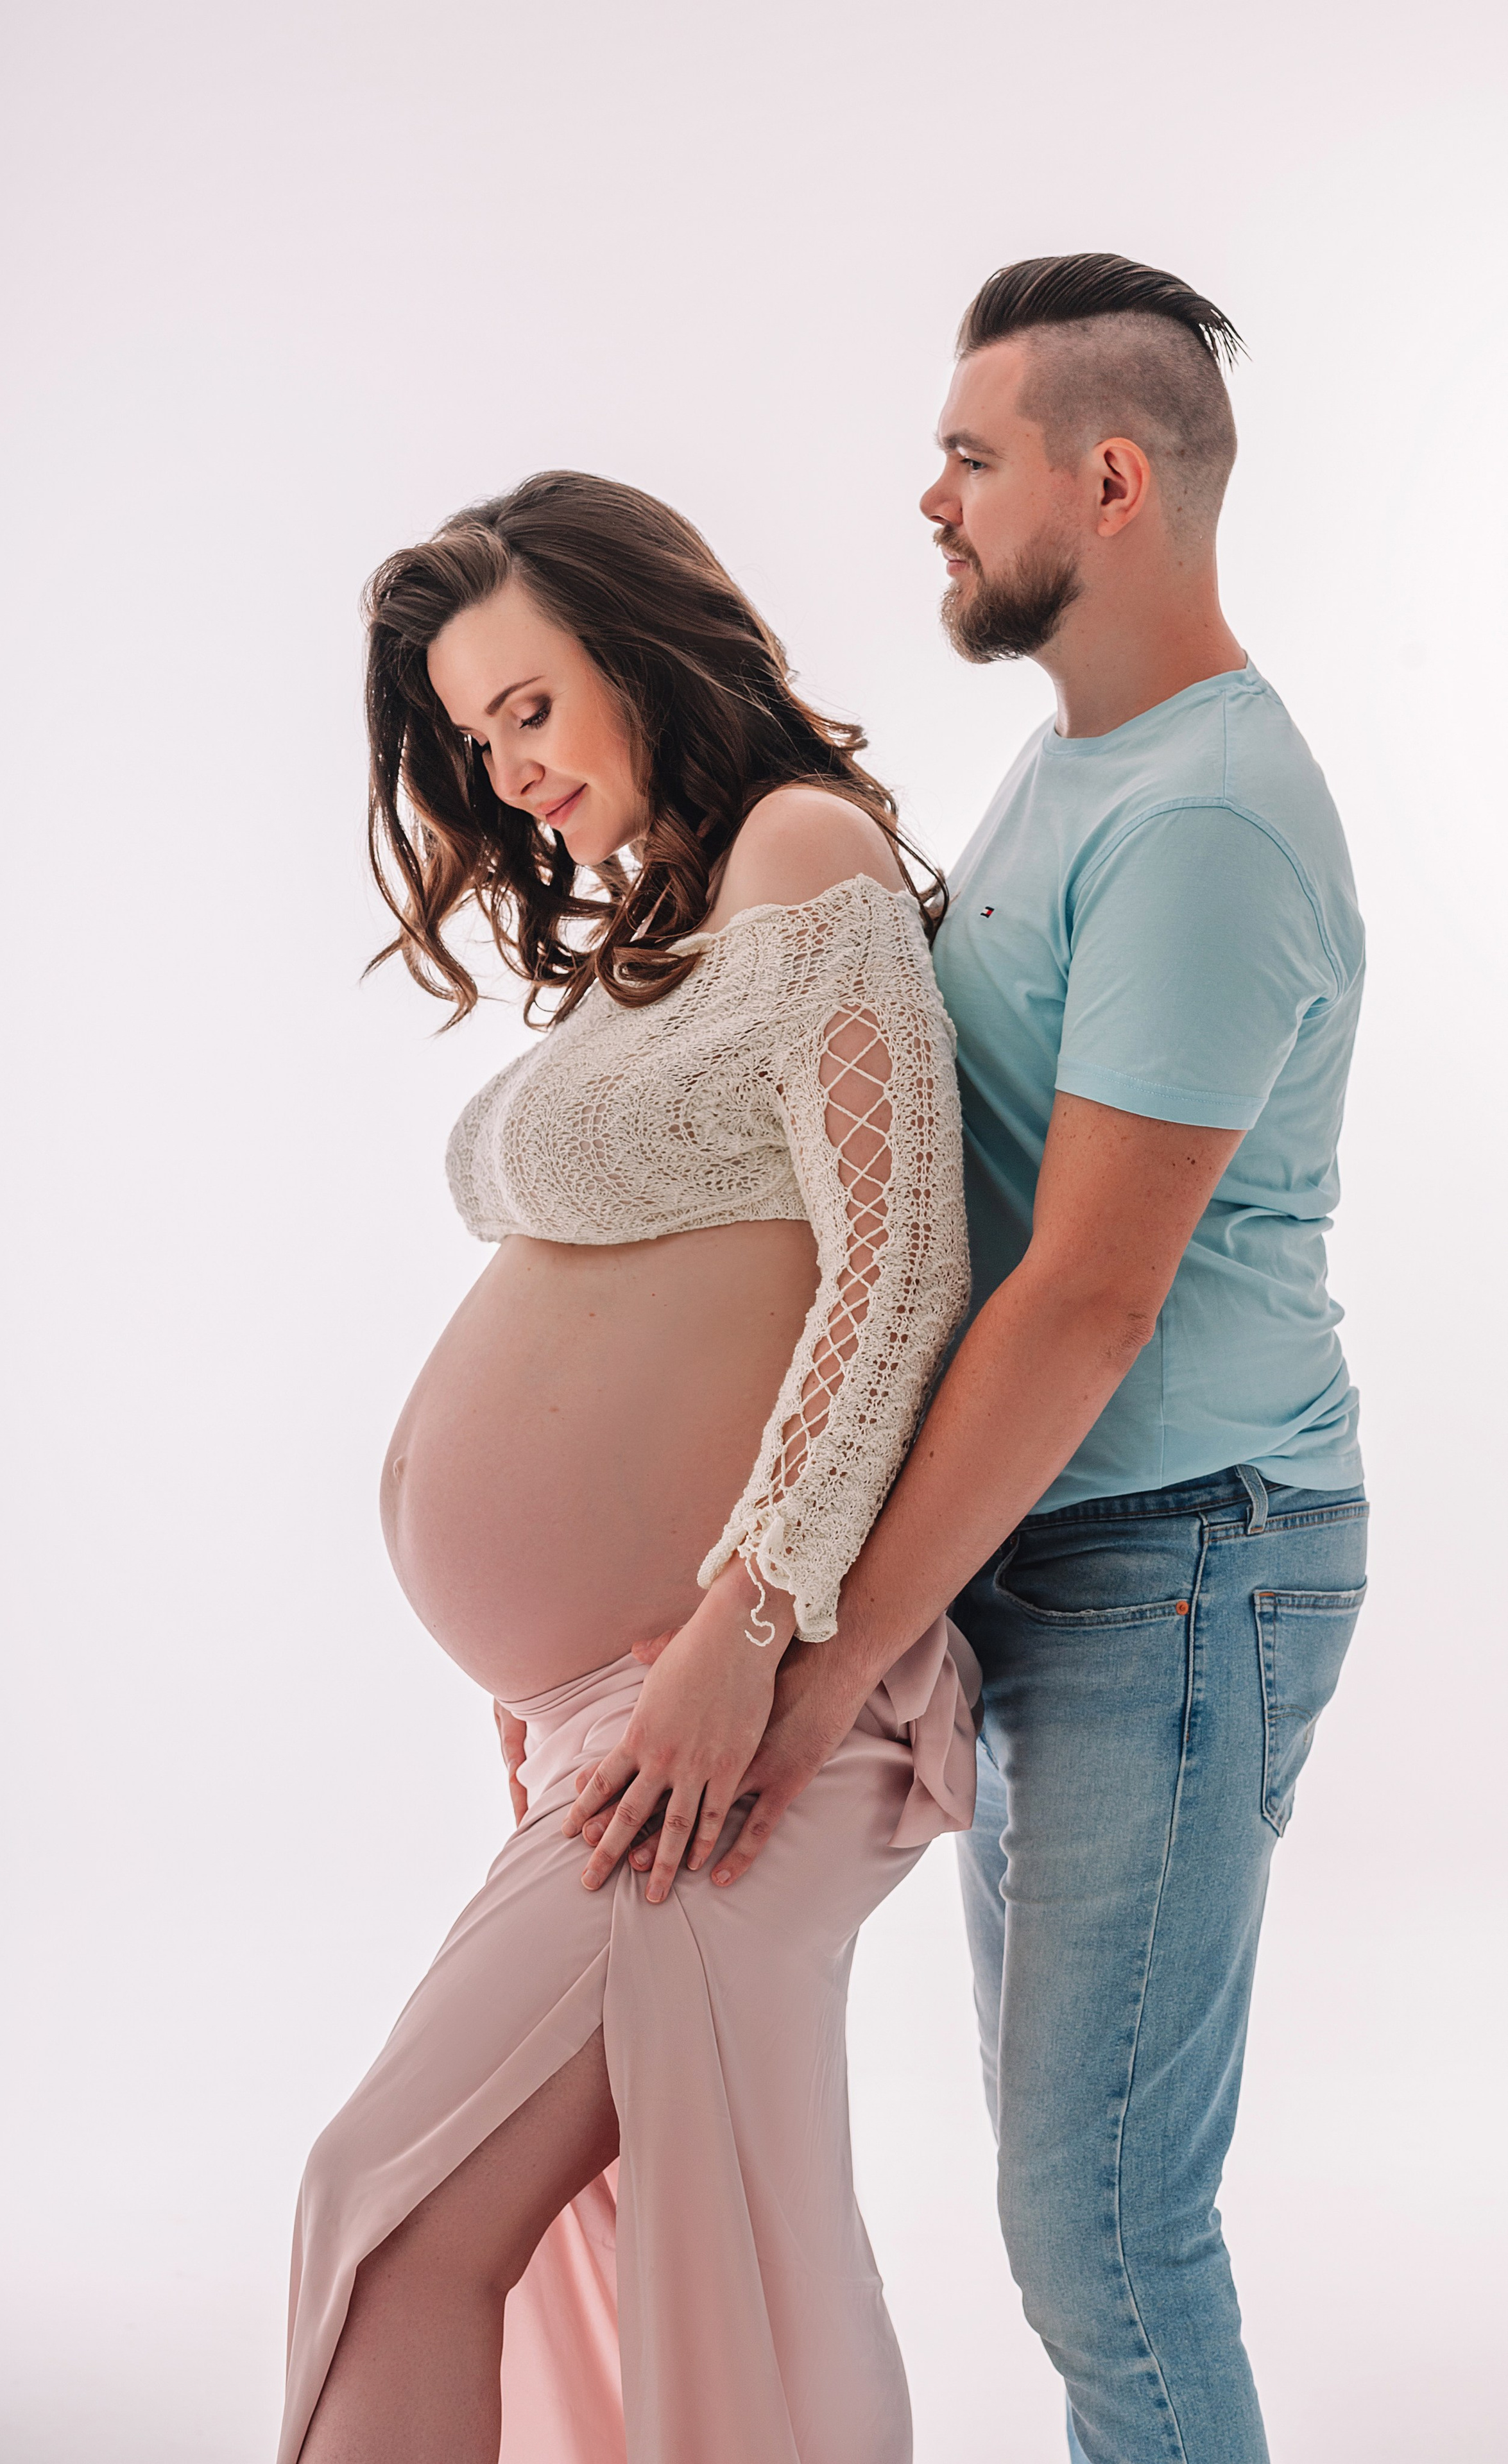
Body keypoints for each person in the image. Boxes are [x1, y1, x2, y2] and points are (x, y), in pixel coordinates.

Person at [572, 255, 1368, 2464]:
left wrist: (816, 1657)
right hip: (1064, 1549)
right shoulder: (1083, 767)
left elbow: (1088, 1299)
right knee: (1076, 2219)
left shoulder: (1202, 823)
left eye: (967, 457)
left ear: (1108, 483)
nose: (927, 500)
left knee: (1105, 2230)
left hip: (1175, 1566)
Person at [278, 471, 981, 2464]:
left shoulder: (804, 852)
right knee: (416, 2215)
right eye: (471, 738)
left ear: (643, 649)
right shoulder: (670, 932)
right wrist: (545, 1673)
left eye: (530, 708)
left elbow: (898, 1263)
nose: (505, 776)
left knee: (387, 2207)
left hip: (739, 1692)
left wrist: (736, 1628)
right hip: (623, 1702)